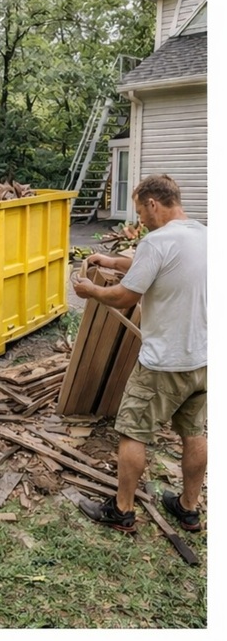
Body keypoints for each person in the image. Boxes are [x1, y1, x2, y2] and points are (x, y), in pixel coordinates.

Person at [72, 173, 206, 535]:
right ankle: (189, 508)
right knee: (194, 433)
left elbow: (125, 297)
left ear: (153, 203)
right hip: (205, 360)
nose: (140, 221)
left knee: (133, 433)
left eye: (140, 212)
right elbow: (163, 268)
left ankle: (122, 510)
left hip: (165, 361)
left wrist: (90, 291)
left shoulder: (157, 241)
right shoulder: (206, 235)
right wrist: (112, 261)